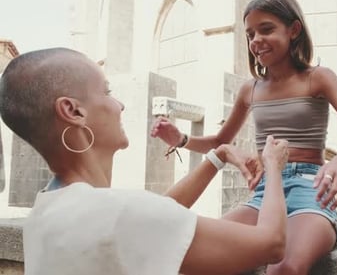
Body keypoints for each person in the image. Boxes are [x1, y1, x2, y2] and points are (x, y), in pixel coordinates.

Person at [0, 47, 291, 275]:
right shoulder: (120, 213)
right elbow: (272, 244)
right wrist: (274, 166)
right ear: (73, 111)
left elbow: (154, 215)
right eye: (107, 92)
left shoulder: (45, 211)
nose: (120, 105)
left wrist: (219, 155)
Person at [151, 0, 337, 274]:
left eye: (267, 29)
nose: (256, 40)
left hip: (310, 190)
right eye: (250, 34)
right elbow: (220, 142)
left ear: (293, 30)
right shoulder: (250, 90)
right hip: (264, 194)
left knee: (283, 267)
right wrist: (181, 140)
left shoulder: (318, 78)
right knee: (199, 254)